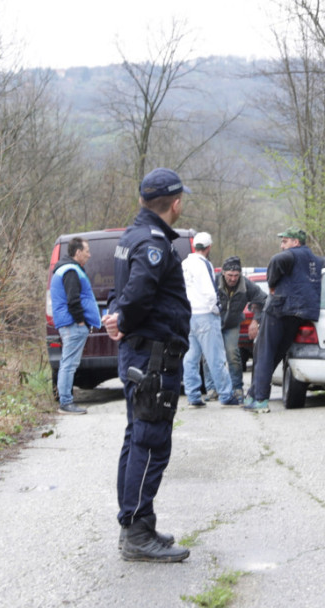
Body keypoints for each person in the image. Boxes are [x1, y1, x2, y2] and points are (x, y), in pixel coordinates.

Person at [101, 167, 192, 563]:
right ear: (175, 204)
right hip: (154, 357)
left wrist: (117, 314)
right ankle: (137, 531)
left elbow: (123, 291)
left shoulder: (131, 236)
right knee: (151, 441)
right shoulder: (154, 241)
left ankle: (137, 523)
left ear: (143, 201)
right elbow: (137, 293)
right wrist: (123, 317)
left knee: (136, 437)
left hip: (139, 354)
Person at [244, 227, 325, 413]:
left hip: (278, 310)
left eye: (285, 241)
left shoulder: (288, 256)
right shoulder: (317, 261)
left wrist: (272, 285)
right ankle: (252, 394)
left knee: (263, 354)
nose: (282, 246)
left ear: (296, 242)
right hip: (299, 315)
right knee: (276, 354)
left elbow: (277, 261)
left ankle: (260, 399)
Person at [181, 232, 241, 407]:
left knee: (191, 356)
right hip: (205, 315)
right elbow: (208, 291)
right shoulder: (204, 265)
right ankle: (226, 394)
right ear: (208, 247)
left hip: (189, 314)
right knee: (215, 356)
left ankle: (192, 395)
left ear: (194, 246)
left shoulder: (184, 264)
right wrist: (216, 309)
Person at [50, 237, 102, 415]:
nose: (89, 254)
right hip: (73, 324)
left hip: (70, 324)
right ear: (78, 252)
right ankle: (66, 402)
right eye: (87, 251)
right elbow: (73, 300)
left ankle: (65, 400)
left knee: (68, 363)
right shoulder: (71, 271)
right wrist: (80, 320)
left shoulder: (66, 268)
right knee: (69, 364)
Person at [216, 256, 267, 399]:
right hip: (214, 323)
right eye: (230, 275)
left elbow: (262, 299)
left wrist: (255, 321)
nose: (233, 279)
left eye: (236, 276)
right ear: (223, 273)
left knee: (233, 355)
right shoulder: (213, 281)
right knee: (211, 357)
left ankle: (237, 387)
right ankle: (212, 388)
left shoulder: (246, 285)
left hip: (232, 324)